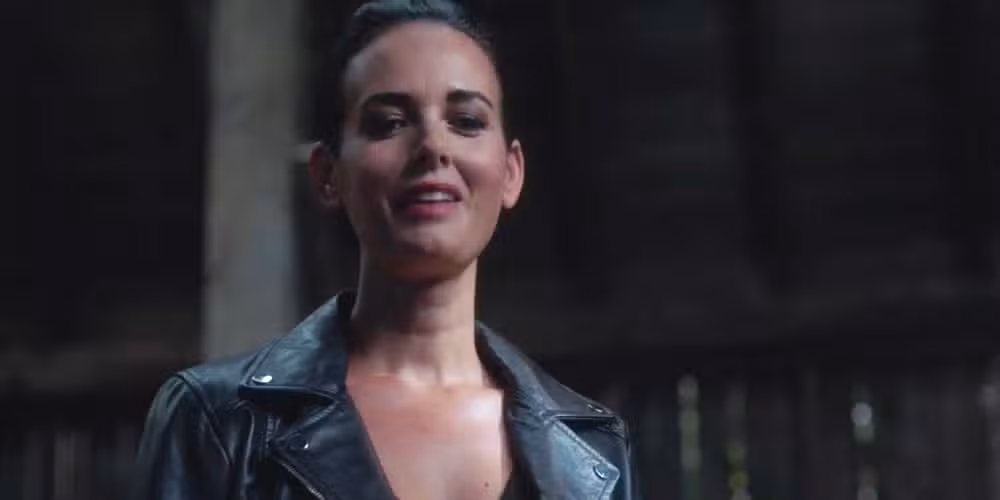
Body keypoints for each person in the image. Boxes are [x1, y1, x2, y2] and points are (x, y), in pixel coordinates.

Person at [132, 1, 641, 499]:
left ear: (511, 173)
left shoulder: (590, 453)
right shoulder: (216, 422)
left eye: (466, 121)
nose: (433, 146)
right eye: (389, 122)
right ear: (328, 174)